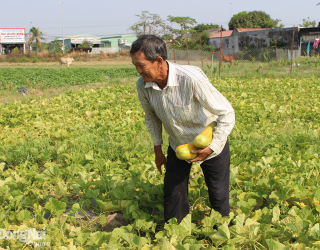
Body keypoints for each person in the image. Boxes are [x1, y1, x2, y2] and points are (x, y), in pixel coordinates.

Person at [130, 35, 235, 224]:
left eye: (141, 65)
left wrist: (212, 147)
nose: (138, 71)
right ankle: (175, 235)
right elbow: (151, 118)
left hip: (209, 142)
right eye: (135, 66)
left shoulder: (191, 79)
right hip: (178, 144)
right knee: (172, 194)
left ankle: (222, 233)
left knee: (218, 195)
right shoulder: (143, 85)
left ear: (159, 61)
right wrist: (158, 152)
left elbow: (226, 113)